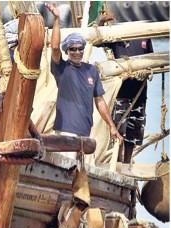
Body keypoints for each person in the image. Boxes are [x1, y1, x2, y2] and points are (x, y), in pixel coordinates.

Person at [45, 3, 123, 162]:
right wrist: (57, 19)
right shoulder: (62, 69)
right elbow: (54, 48)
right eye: (72, 49)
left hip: (85, 133)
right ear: (67, 51)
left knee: (80, 175)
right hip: (66, 133)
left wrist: (112, 126)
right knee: (65, 171)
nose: (77, 52)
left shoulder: (91, 71)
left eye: (80, 48)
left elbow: (100, 101)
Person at [98, 15, 153, 164]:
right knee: (119, 131)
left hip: (140, 93)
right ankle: (117, 161)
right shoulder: (117, 37)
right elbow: (99, 40)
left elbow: (152, 60)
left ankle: (127, 164)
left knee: (134, 132)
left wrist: (146, 71)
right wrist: (102, 21)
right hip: (121, 93)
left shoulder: (145, 38)